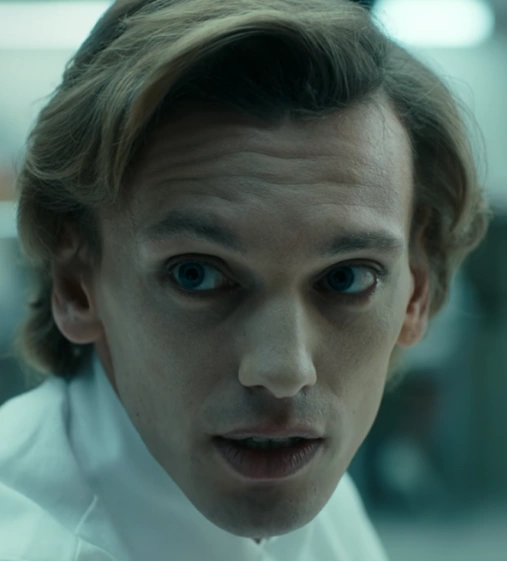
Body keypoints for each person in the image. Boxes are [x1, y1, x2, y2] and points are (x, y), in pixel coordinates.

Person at [0, 0, 490, 559]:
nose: (284, 372)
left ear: (417, 290)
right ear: (75, 285)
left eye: (346, 278)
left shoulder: (298, 481)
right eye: (197, 275)